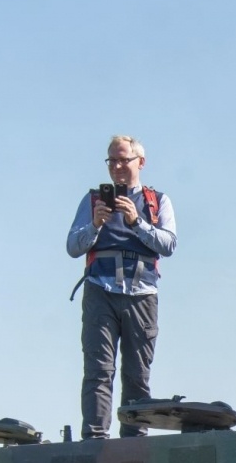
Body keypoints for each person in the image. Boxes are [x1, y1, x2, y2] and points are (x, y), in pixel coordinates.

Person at [65, 135, 178, 439]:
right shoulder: (93, 201)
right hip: (100, 291)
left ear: (139, 162)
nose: (116, 167)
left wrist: (136, 221)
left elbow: (169, 244)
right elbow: (73, 246)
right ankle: (95, 438)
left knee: (137, 374)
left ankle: (134, 441)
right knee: (99, 371)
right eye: (111, 161)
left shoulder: (157, 201)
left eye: (122, 160)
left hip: (141, 294)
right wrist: (95, 226)